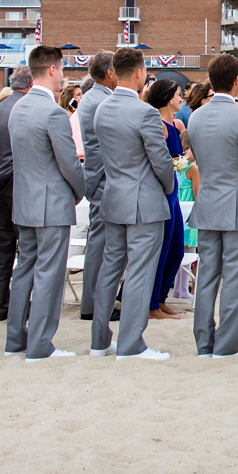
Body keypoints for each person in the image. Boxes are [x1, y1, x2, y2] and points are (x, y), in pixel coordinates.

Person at [93, 49, 179, 361]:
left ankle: (100, 339)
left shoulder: (102, 108)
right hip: (143, 201)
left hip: (114, 196)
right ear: (140, 73)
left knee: (110, 269)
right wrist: (169, 185)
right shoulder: (144, 113)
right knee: (140, 272)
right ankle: (130, 343)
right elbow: (160, 161)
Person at [7, 45, 85, 362]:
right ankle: (40, 344)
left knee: (24, 270)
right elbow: (68, 162)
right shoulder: (52, 112)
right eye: (62, 69)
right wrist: (79, 191)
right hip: (50, 202)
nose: (63, 76)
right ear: (52, 69)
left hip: (24, 200)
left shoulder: (18, 107)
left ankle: (16, 338)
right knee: (49, 275)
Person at [185, 54, 238, 359]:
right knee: (237, 277)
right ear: (236, 81)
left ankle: (204, 343)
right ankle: (228, 344)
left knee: (207, 275)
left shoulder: (196, 117)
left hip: (207, 202)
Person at [0, 66, 32, 321]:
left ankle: (0, 304)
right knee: (26, 248)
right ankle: (21, 305)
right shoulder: (25, 107)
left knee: (3, 247)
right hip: (16, 184)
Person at [74, 52, 119, 329]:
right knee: (101, 245)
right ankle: (93, 303)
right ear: (110, 72)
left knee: (100, 244)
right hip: (103, 178)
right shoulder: (102, 100)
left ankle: (94, 301)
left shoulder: (92, 97)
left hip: (98, 176)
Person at [146, 77, 190, 320]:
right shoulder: (158, 126)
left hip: (172, 191)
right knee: (162, 251)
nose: (181, 97)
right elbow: (166, 162)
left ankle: (161, 299)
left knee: (175, 250)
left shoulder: (175, 127)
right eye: (177, 93)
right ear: (166, 97)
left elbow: (175, 162)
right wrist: (186, 160)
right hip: (163, 192)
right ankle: (152, 304)